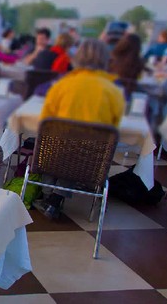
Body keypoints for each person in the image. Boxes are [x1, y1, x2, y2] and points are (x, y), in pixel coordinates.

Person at [36, 39, 125, 218]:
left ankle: (47, 194)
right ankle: (56, 198)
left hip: (54, 155)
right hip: (92, 160)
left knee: (56, 144)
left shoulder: (61, 86)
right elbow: (114, 128)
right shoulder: (114, 91)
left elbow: (45, 124)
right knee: (80, 147)